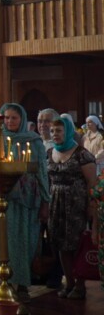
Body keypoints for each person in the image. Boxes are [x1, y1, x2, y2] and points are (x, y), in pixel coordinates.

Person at [0, 103, 49, 302]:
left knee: (23, 239)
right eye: (6, 118)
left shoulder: (33, 141)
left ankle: (22, 284)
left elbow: (41, 171)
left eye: (14, 118)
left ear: (22, 119)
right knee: (1, 239)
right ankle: (4, 282)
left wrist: (45, 200)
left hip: (24, 198)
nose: (10, 121)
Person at [46, 118, 96, 299]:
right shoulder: (50, 152)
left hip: (76, 204)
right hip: (56, 203)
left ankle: (80, 285)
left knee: (76, 243)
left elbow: (92, 182)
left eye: (59, 131)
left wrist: (91, 206)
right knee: (60, 243)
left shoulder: (82, 154)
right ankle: (69, 282)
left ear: (67, 132)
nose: (55, 135)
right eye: (52, 131)